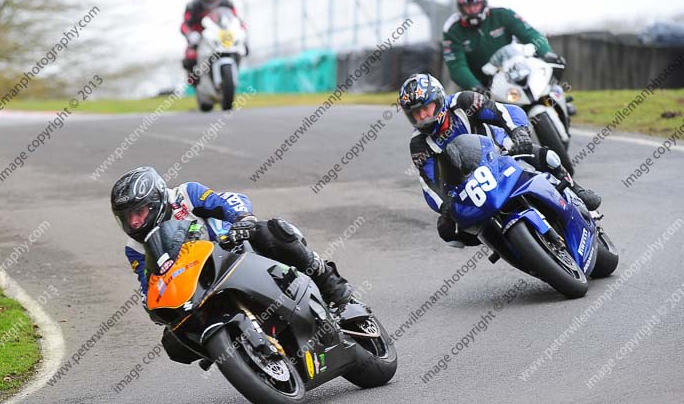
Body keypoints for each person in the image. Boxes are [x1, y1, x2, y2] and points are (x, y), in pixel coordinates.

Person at [111, 166, 352, 310]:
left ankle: (329, 282)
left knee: (272, 230)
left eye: (139, 212)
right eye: (127, 217)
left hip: (233, 250)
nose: (133, 223)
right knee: (173, 342)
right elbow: (149, 284)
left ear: (155, 201)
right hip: (200, 285)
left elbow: (227, 201)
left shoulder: (185, 194)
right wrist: (152, 302)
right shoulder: (135, 248)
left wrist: (242, 219)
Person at [399, 73, 600, 245]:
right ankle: (501, 242)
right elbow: (428, 184)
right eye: (415, 114)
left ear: (439, 100)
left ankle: (577, 190)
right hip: (468, 184)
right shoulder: (419, 144)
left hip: (500, 150)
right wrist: (444, 207)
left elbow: (504, 111)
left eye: (426, 108)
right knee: (448, 232)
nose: (423, 117)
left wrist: (519, 132)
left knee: (548, 157)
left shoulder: (464, 101)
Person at [442, 0, 566, 93]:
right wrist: (475, 86)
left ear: (483, 2)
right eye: (467, 6)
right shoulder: (452, 29)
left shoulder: (502, 14)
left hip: (514, 72)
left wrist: (547, 53)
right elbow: (457, 66)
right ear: (460, 7)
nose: (472, 9)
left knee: (551, 92)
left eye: (476, 4)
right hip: (482, 85)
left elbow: (529, 34)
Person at [180, 0, 244, 85]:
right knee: (190, 56)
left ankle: (233, 74)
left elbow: (237, 20)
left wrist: (241, 30)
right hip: (201, 36)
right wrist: (191, 33)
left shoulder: (227, 3)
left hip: (221, 34)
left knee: (243, 47)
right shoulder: (193, 5)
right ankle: (195, 79)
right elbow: (185, 24)